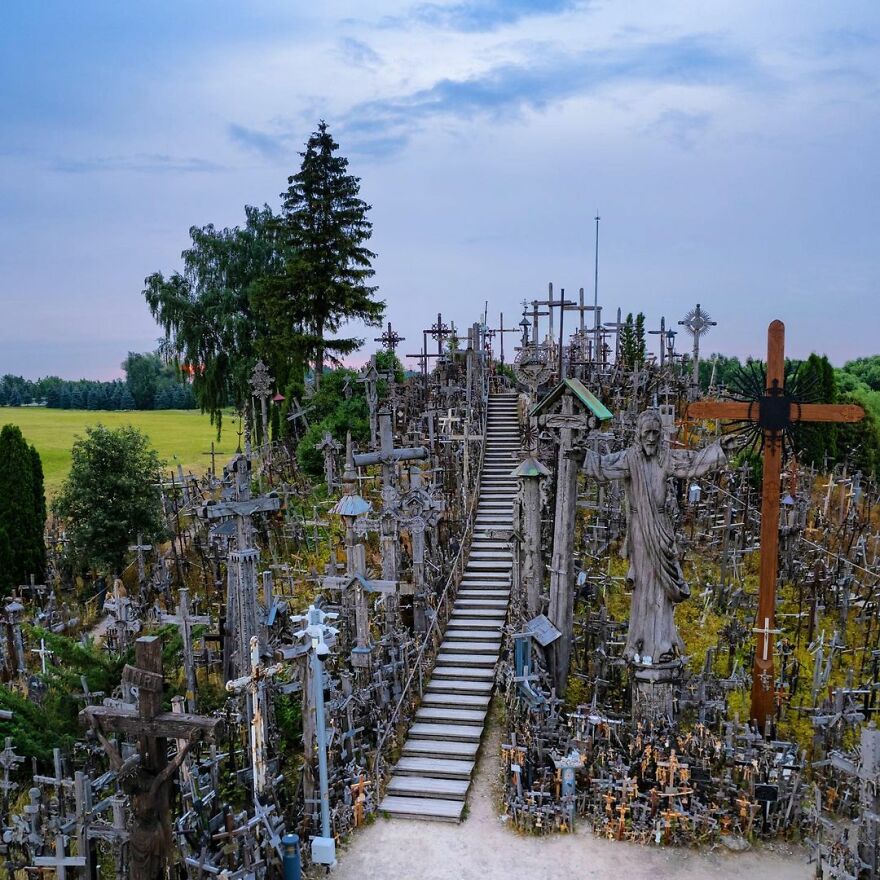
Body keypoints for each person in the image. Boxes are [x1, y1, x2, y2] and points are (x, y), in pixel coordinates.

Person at [583, 409, 737, 663]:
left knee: (663, 590)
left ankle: (663, 642)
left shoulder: (666, 458)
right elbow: (604, 465)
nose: (652, 438)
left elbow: (694, 464)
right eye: (647, 433)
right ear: (639, 435)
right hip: (641, 530)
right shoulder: (630, 458)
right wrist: (583, 457)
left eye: (656, 432)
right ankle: (639, 641)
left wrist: (719, 448)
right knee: (643, 586)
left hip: (661, 529)